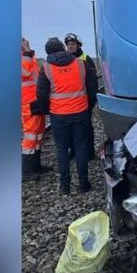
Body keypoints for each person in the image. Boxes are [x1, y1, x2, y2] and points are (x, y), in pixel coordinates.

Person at [32, 37, 95, 195]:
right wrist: (87, 107)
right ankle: (84, 183)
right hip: (80, 112)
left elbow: (41, 95)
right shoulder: (81, 64)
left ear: (47, 52)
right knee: (81, 147)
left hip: (59, 116)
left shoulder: (46, 68)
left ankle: (65, 186)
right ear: (62, 47)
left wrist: (49, 111)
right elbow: (92, 88)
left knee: (61, 150)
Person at [63, 32, 98, 160]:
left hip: (85, 100)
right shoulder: (64, 59)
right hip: (70, 101)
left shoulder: (86, 58)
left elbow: (93, 81)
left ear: (78, 45)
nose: (70, 46)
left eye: (73, 44)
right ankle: (73, 151)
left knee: (86, 126)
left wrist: (91, 99)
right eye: (68, 44)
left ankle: (90, 152)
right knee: (70, 128)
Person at [21, 38, 48, 178]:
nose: (27, 43)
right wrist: (26, 53)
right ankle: (26, 170)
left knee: (38, 134)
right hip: (27, 103)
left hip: (36, 101)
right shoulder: (22, 59)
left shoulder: (30, 58)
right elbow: (24, 73)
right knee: (30, 136)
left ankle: (36, 166)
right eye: (24, 42)